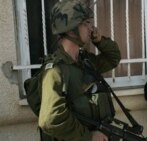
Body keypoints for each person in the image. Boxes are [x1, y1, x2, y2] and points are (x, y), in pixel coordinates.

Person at [38, 0, 121, 141]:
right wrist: (89, 137)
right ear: (71, 29)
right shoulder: (55, 71)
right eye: (86, 23)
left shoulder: (85, 62)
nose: (92, 28)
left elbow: (113, 58)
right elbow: (51, 119)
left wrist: (100, 40)